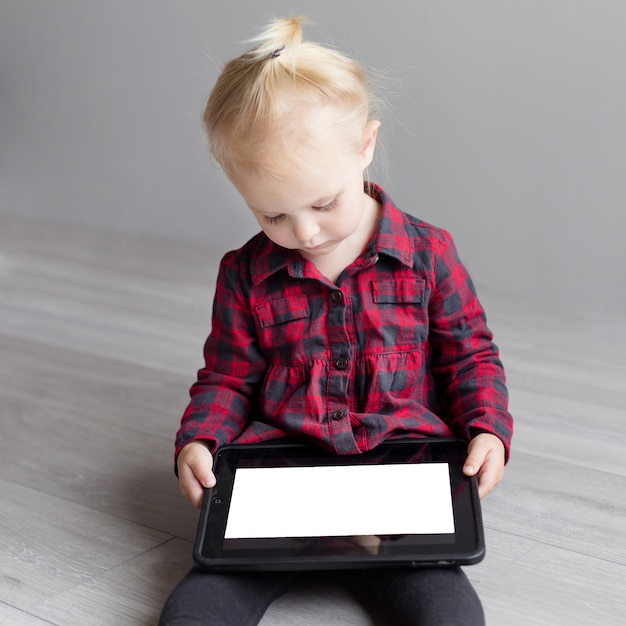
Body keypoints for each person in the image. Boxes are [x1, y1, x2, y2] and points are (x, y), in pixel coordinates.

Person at [159, 16, 513, 626]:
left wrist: (488, 430)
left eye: (324, 203)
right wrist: (200, 440)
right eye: (272, 215)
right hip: (283, 471)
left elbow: (469, 355)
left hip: (398, 468)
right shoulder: (245, 273)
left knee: (450, 615)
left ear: (365, 147)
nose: (303, 232)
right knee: (195, 611)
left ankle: (384, 559)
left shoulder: (428, 254)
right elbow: (228, 377)